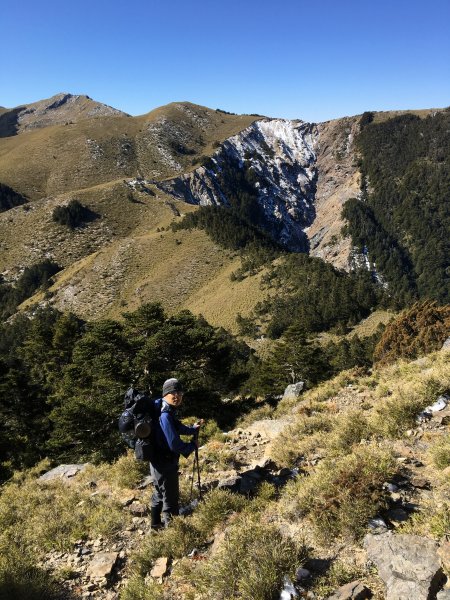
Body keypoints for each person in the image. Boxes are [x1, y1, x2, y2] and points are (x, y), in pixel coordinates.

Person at [149, 378, 203, 529]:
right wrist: (191, 445)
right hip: (165, 463)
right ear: (166, 393)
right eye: (173, 392)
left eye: (180, 392)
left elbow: (177, 427)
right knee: (171, 499)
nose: (177, 395)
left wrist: (193, 429)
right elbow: (174, 444)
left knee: (159, 493)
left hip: (156, 461)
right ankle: (173, 534)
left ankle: (155, 526)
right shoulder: (165, 415)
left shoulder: (165, 409)